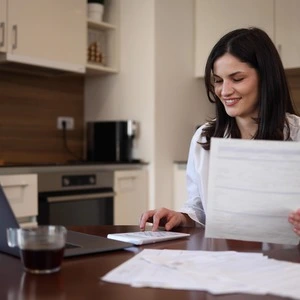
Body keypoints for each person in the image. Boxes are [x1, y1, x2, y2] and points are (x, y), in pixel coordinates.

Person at [139, 27, 300, 236]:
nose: (224, 91)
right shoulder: (204, 138)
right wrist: (181, 217)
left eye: (237, 78)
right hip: (224, 257)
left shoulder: (297, 134)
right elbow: (198, 208)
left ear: (266, 78)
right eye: (218, 80)